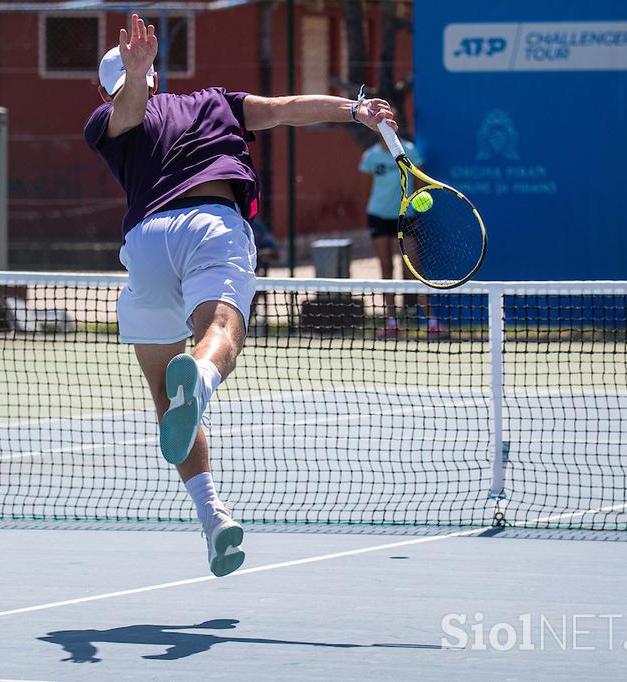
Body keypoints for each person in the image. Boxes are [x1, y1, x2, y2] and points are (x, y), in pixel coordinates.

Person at [84, 14, 397, 577]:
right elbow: (284, 109)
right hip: (210, 224)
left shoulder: (108, 121)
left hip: (147, 242)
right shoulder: (211, 101)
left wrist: (131, 77)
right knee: (221, 334)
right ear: (151, 78)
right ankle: (201, 378)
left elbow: (125, 114)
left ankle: (213, 518)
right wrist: (354, 110)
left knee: (166, 399)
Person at [359, 124, 447, 338]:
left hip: (406, 217)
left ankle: (431, 322)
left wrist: (414, 210)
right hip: (378, 216)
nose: (385, 130)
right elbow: (368, 187)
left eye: (389, 126)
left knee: (412, 268)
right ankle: (391, 322)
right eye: (381, 127)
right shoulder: (370, 157)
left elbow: (420, 183)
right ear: (376, 131)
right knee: (386, 268)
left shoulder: (409, 150)